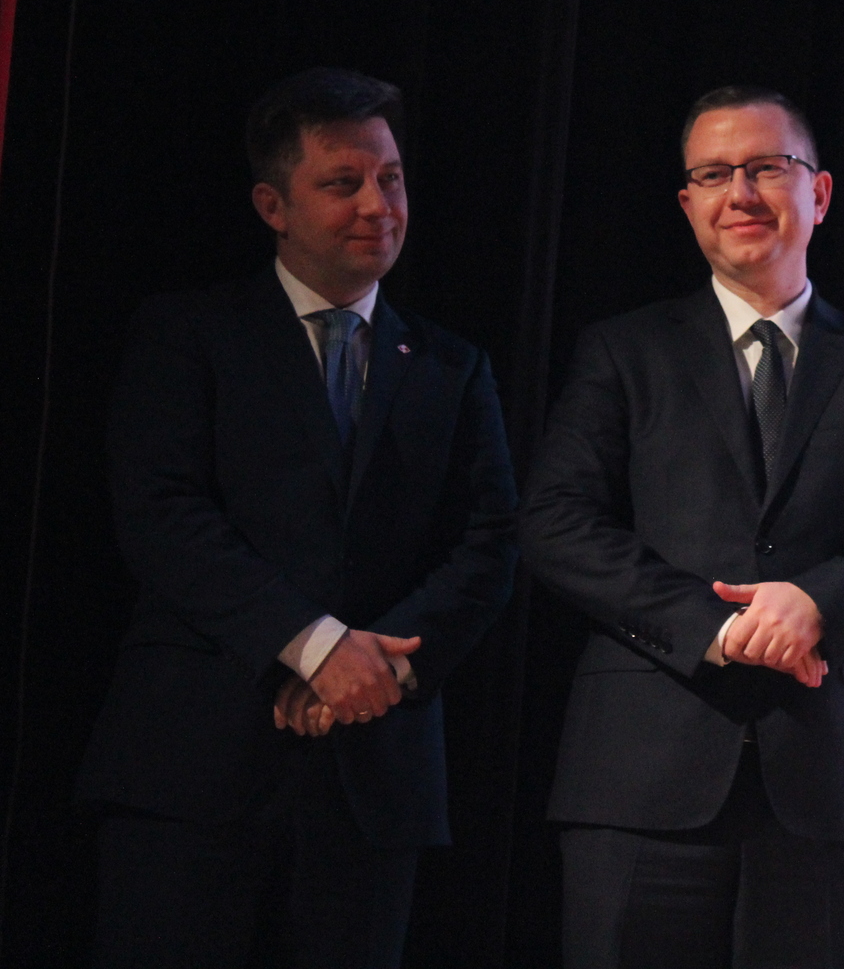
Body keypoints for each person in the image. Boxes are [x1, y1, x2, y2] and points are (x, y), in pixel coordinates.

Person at [78, 68, 520, 969]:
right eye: (343, 183)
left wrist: (376, 672)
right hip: (192, 770)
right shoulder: (189, 333)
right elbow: (163, 517)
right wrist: (316, 648)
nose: (378, 206)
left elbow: (487, 544)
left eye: (390, 178)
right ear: (272, 205)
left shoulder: (452, 365)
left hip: (373, 780)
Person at [520, 86, 844, 969]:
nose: (740, 194)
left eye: (767, 168)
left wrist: (822, 602)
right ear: (687, 203)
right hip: (640, 778)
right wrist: (717, 628)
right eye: (713, 175)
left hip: (831, 779)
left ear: (820, 193)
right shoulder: (623, 350)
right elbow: (555, 522)